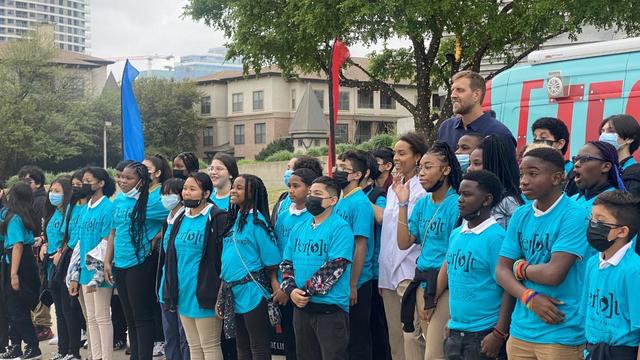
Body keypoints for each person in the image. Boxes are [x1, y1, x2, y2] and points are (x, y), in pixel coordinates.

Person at [496, 147, 588, 360]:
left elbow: (553, 274)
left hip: (561, 331)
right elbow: (501, 270)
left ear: (557, 178)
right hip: (521, 331)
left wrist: (519, 267)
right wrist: (528, 297)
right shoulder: (520, 215)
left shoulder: (574, 215)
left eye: (533, 174)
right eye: (522, 174)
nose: (524, 181)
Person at [395, 141, 462, 360]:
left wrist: (433, 297)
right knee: (414, 346)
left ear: (446, 169)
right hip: (421, 282)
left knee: (434, 353)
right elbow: (404, 242)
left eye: (428, 167)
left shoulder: (456, 204)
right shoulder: (423, 203)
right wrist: (403, 204)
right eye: (420, 168)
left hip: (442, 286)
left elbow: (451, 255)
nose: (421, 173)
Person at [439, 170, 512, 360]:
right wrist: (452, 322)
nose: (460, 200)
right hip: (455, 333)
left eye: (468, 194)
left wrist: (498, 333)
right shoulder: (456, 234)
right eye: (460, 194)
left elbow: (508, 290)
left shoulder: (496, 239)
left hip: (483, 335)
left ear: (487, 199)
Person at [280, 176, 354, 360]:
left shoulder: (340, 228)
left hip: (330, 311)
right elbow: (286, 263)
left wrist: (302, 293)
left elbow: (335, 268)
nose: (311, 197)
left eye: (318, 194)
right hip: (301, 310)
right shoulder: (299, 228)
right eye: (311, 193)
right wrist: (290, 290)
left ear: (332, 201)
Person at [104, 162, 169, 360]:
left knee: (142, 316)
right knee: (129, 316)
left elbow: (175, 216)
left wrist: (158, 235)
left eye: (128, 178)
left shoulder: (152, 201)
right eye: (121, 177)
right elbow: (114, 232)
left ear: (141, 181)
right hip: (119, 264)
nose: (122, 181)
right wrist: (108, 261)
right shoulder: (119, 201)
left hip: (140, 263)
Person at [164, 173, 229, 360]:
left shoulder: (216, 217)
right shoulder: (181, 218)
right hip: (183, 292)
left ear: (206, 193)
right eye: (185, 189)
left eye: (193, 189)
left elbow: (223, 256)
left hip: (206, 292)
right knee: (193, 346)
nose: (187, 193)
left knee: (209, 346)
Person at [218, 174, 281, 360]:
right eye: (233, 187)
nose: (233, 191)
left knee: (258, 346)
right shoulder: (234, 219)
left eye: (239, 188)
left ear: (251, 192)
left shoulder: (257, 222)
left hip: (253, 291)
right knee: (242, 346)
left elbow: (272, 260)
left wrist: (275, 283)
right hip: (232, 291)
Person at [379, 132, 429, 360]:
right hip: (388, 272)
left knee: (412, 336)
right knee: (395, 337)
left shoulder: (423, 191)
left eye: (402, 153)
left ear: (418, 157)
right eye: (395, 153)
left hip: (409, 270)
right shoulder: (393, 188)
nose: (396, 158)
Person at [582, 190, 640, 360]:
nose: (592, 224)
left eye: (600, 221)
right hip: (592, 352)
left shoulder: (634, 271)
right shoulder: (592, 264)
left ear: (622, 231)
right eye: (591, 218)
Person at [70, 167, 117, 360]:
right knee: (90, 317)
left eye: (89, 180)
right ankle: (95, 355)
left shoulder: (108, 207)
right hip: (83, 272)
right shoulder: (84, 209)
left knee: (102, 317)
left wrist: (96, 277)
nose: (85, 183)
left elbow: (106, 243)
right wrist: (75, 275)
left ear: (101, 183)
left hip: (99, 271)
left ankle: (106, 356)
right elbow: (80, 244)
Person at [333, 150, 375, 360]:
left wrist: (352, 284)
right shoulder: (342, 201)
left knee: (358, 340)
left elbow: (361, 245)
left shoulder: (359, 203)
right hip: (341, 280)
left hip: (358, 281)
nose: (337, 172)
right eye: (337, 167)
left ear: (357, 175)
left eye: (344, 169)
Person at [273, 168, 315, 360]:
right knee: (289, 340)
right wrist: (280, 285)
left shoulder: (313, 217)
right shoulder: (283, 214)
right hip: (283, 288)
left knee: (307, 345)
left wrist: (293, 288)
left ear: (309, 189)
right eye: (290, 186)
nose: (291, 190)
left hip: (304, 290)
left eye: (296, 186)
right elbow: (277, 252)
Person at [0, 182, 42, 360]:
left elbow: (17, 245)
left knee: (17, 308)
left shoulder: (15, 218)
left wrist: (13, 274)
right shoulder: (20, 215)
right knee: (12, 307)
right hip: (19, 260)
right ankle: (16, 345)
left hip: (18, 263)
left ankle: (32, 346)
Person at [43, 176, 82, 360]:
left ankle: (73, 351)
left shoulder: (70, 211)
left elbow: (72, 238)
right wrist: (44, 244)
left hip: (65, 263)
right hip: (51, 265)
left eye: (57, 191)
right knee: (59, 310)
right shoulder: (53, 212)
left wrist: (61, 252)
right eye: (51, 190)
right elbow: (49, 235)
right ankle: (62, 349)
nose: (53, 194)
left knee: (68, 310)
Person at [437, 71, 516, 153]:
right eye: (452, 90)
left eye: (460, 90)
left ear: (476, 95)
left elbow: (507, 165)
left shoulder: (499, 134)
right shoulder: (446, 128)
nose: (453, 95)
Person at [18, 165, 54, 342]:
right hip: (33, 250)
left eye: (28, 181)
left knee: (39, 288)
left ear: (38, 183)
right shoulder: (28, 199)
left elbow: (40, 227)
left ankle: (43, 325)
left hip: (39, 251)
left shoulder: (40, 200)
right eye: (22, 180)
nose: (24, 184)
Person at [362, 152, 391, 360]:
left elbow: (383, 218)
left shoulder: (377, 195)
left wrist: (357, 199)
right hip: (353, 273)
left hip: (374, 273)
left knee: (377, 329)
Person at [143, 154, 173, 357]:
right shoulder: (142, 192)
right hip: (139, 252)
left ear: (158, 173)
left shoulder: (160, 195)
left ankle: (160, 339)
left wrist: (158, 236)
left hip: (155, 252)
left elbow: (170, 219)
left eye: (146, 169)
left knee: (155, 296)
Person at [156, 178, 189, 360]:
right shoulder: (167, 221)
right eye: (163, 194)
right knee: (171, 337)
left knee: (185, 338)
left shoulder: (186, 219)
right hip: (166, 288)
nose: (165, 198)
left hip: (182, 287)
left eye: (169, 194)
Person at [468, 135, 525, 228]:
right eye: (469, 163)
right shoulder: (471, 198)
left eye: (477, 164)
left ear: (493, 166)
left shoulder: (507, 202)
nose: (469, 169)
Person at [272, 156, 324, 224]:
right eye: (288, 168)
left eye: (292, 169)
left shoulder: (319, 214)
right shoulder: (283, 201)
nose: (289, 172)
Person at [600, 114, 640, 195]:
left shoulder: (635, 173)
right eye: (602, 131)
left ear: (629, 139)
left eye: (611, 131)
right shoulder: (602, 168)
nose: (603, 135)